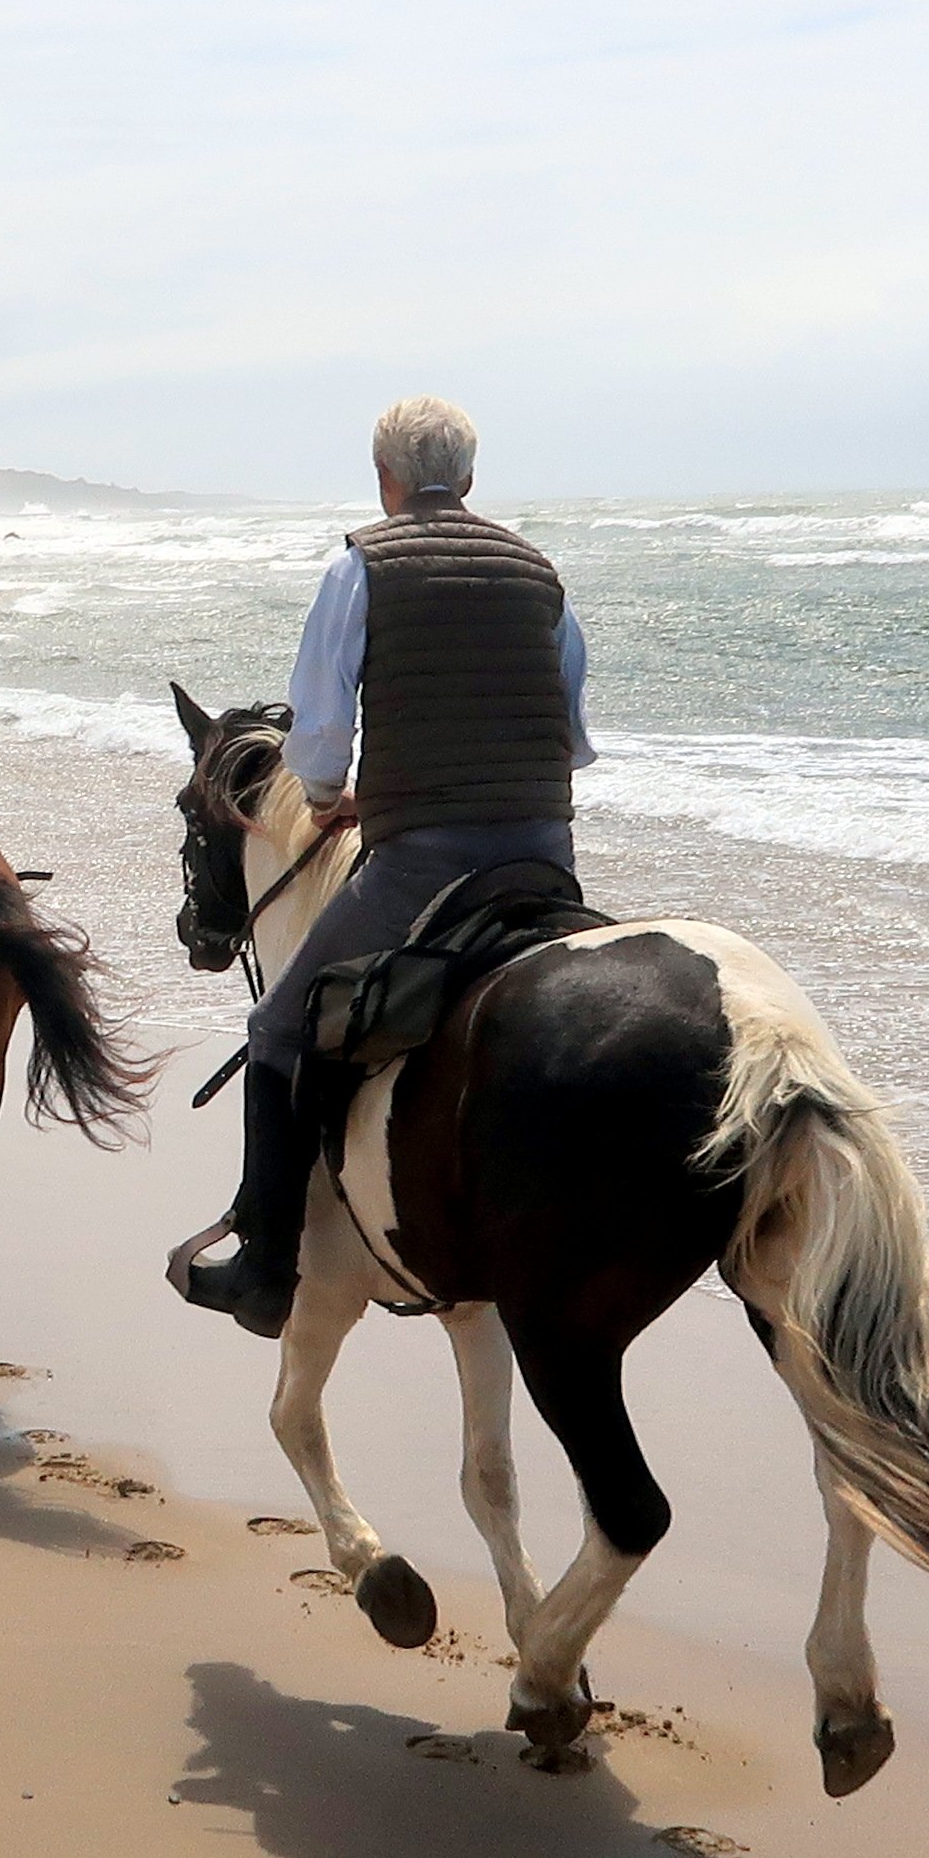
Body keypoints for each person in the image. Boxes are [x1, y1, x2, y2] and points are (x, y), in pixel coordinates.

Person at [172, 395, 592, 1337]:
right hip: (545, 855)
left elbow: (318, 737)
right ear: (471, 479)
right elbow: (567, 737)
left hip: (424, 863)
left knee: (278, 1028)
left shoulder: (363, 565)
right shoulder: (538, 570)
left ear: (384, 479)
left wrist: (333, 798)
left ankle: (264, 1269)